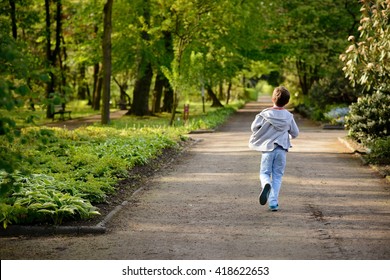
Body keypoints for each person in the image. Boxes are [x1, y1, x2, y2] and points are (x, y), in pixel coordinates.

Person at [248, 86, 299, 211]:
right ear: (286, 102)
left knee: (264, 173)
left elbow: (254, 128)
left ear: (272, 99)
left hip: (267, 149)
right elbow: (295, 133)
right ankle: (273, 202)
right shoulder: (288, 116)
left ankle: (266, 183)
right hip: (281, 150)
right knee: (277, 175)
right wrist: (288, 135)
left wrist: (264, 132)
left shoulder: (264, 114)